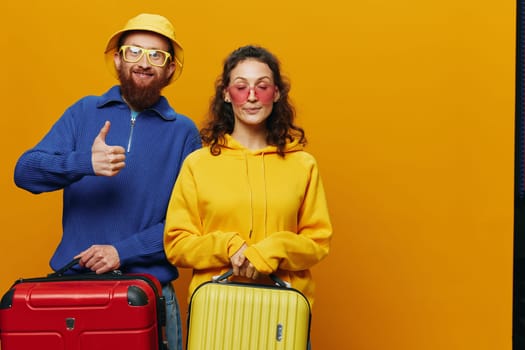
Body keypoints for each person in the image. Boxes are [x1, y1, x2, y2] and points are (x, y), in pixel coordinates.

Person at [13, 13, 201, 350]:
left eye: (156, 55)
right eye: (134, 51)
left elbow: (188, 222)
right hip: (73, 294)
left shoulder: (184, 133)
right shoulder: (83, 112)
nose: (144, 63)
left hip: (149, 293)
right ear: (117, 58)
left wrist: (121, 251)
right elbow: (24, 173)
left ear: (170, 69)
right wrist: (84, 162)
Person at [163, 44, 332, 317]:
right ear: (226, 95)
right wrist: (229, 246)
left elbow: (318, 242)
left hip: (284, 312)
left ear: (276, 93)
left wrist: (271, 251)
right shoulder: (198, 164)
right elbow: (177, 245)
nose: (252, 96)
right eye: (241, 87)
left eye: (262, 86)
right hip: (217, 312)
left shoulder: (303, 164)